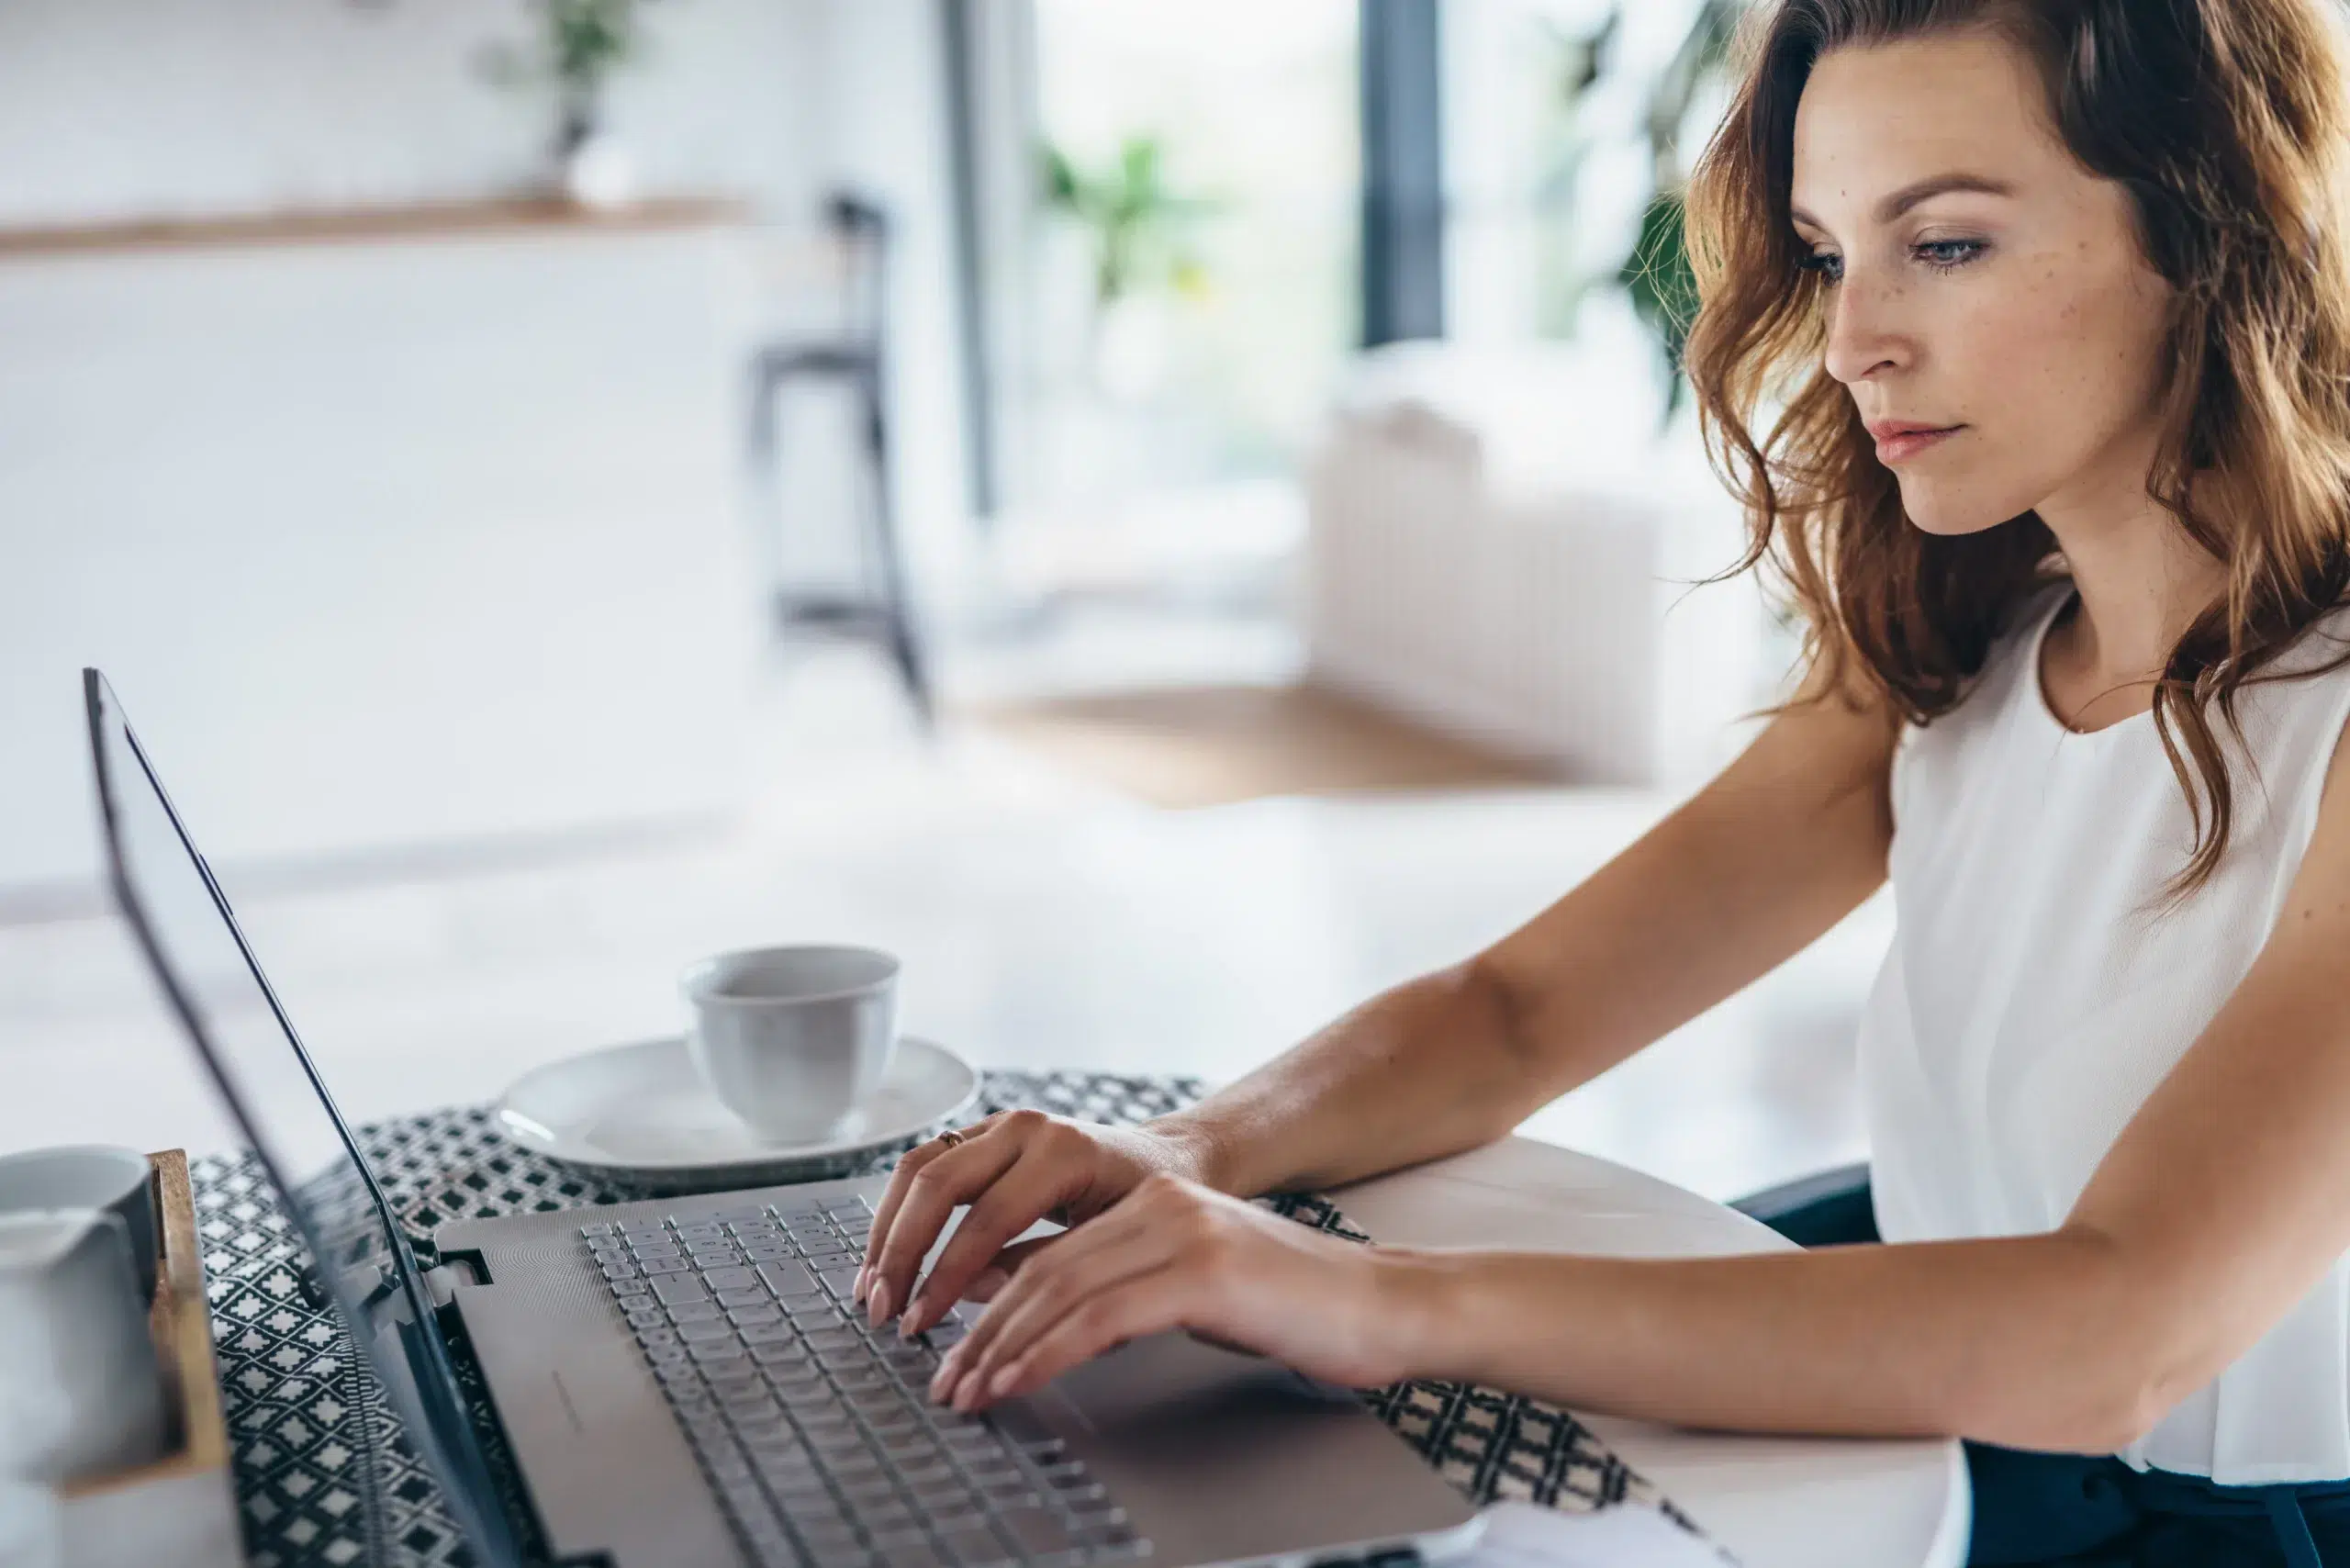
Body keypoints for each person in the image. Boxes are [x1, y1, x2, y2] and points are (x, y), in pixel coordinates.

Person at [858, 2, 2350, 1562]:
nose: (1853, 344)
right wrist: (1188, 1151)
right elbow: (1527, 1010)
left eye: (1950, 245)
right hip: (1942, 1410)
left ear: (2210, 223)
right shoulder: (1970, 636)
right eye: (1834, 255)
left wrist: (1372, 1303)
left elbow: (2124, 1332)